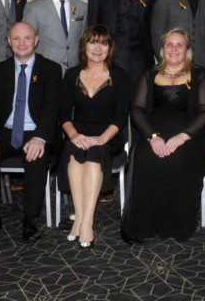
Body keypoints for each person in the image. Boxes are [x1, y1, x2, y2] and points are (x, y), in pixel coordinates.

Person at [0, 22, 62, 242]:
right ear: (9, 42)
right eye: (17, 39)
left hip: (37, 131)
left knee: (35, 157)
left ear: (36, 41)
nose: (22, 43)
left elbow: (51, 109)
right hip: (7, 130)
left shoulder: (50, 69)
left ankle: (29, 219)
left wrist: (40, 138)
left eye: (27, 38)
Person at [121, 28, 205, 242]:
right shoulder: (149, 74)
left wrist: (182, 137)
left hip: (191, 136)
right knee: (145, 156)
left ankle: (176, 225)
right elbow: (137, 110)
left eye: (179, 44)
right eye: (169, 44)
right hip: (153, 133)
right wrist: (153, 137)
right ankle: (147, 225)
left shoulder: (200, 74)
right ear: (162, 50)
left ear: (188, 50)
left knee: (178, 158)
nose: (174, 49)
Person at [59, 24, 129, 249]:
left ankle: (86, 222)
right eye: (93, 42)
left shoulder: (119, 76)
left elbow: (120, 118)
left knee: (94, 154)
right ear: (84, 46)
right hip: (78, 133)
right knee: (73, 152)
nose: (98, 48)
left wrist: (101, 139)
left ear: (110, 47)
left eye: (104, 43)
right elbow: (63, 115)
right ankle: (79, 217)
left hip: (109, 135)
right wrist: (74, 136)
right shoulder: (71, 75)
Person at [23, 0, 88, 72]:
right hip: (46, 72)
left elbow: (84, 41)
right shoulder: (34, 8)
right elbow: (26, 44)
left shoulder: (82, 7)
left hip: (75, 72)